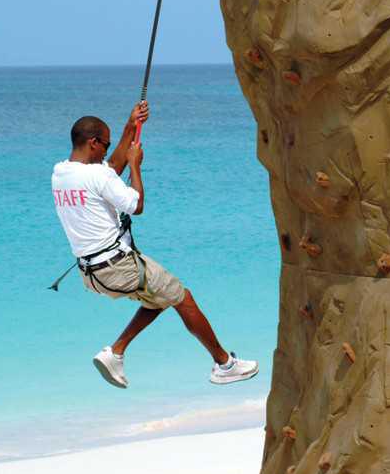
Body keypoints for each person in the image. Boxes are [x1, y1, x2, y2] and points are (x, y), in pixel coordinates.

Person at [51, 101, 258, 387]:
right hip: (118, 268)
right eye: (106, 144)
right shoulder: (96, 175)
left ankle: (117, 352)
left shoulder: (61, 173)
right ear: (93, 143)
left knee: (162, 295)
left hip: (91, 274)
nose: (108, 151)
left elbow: (110, 169)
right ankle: (224, 364)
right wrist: (136, 165)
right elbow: (136, 205)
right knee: (182, 297)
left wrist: (130, 126)